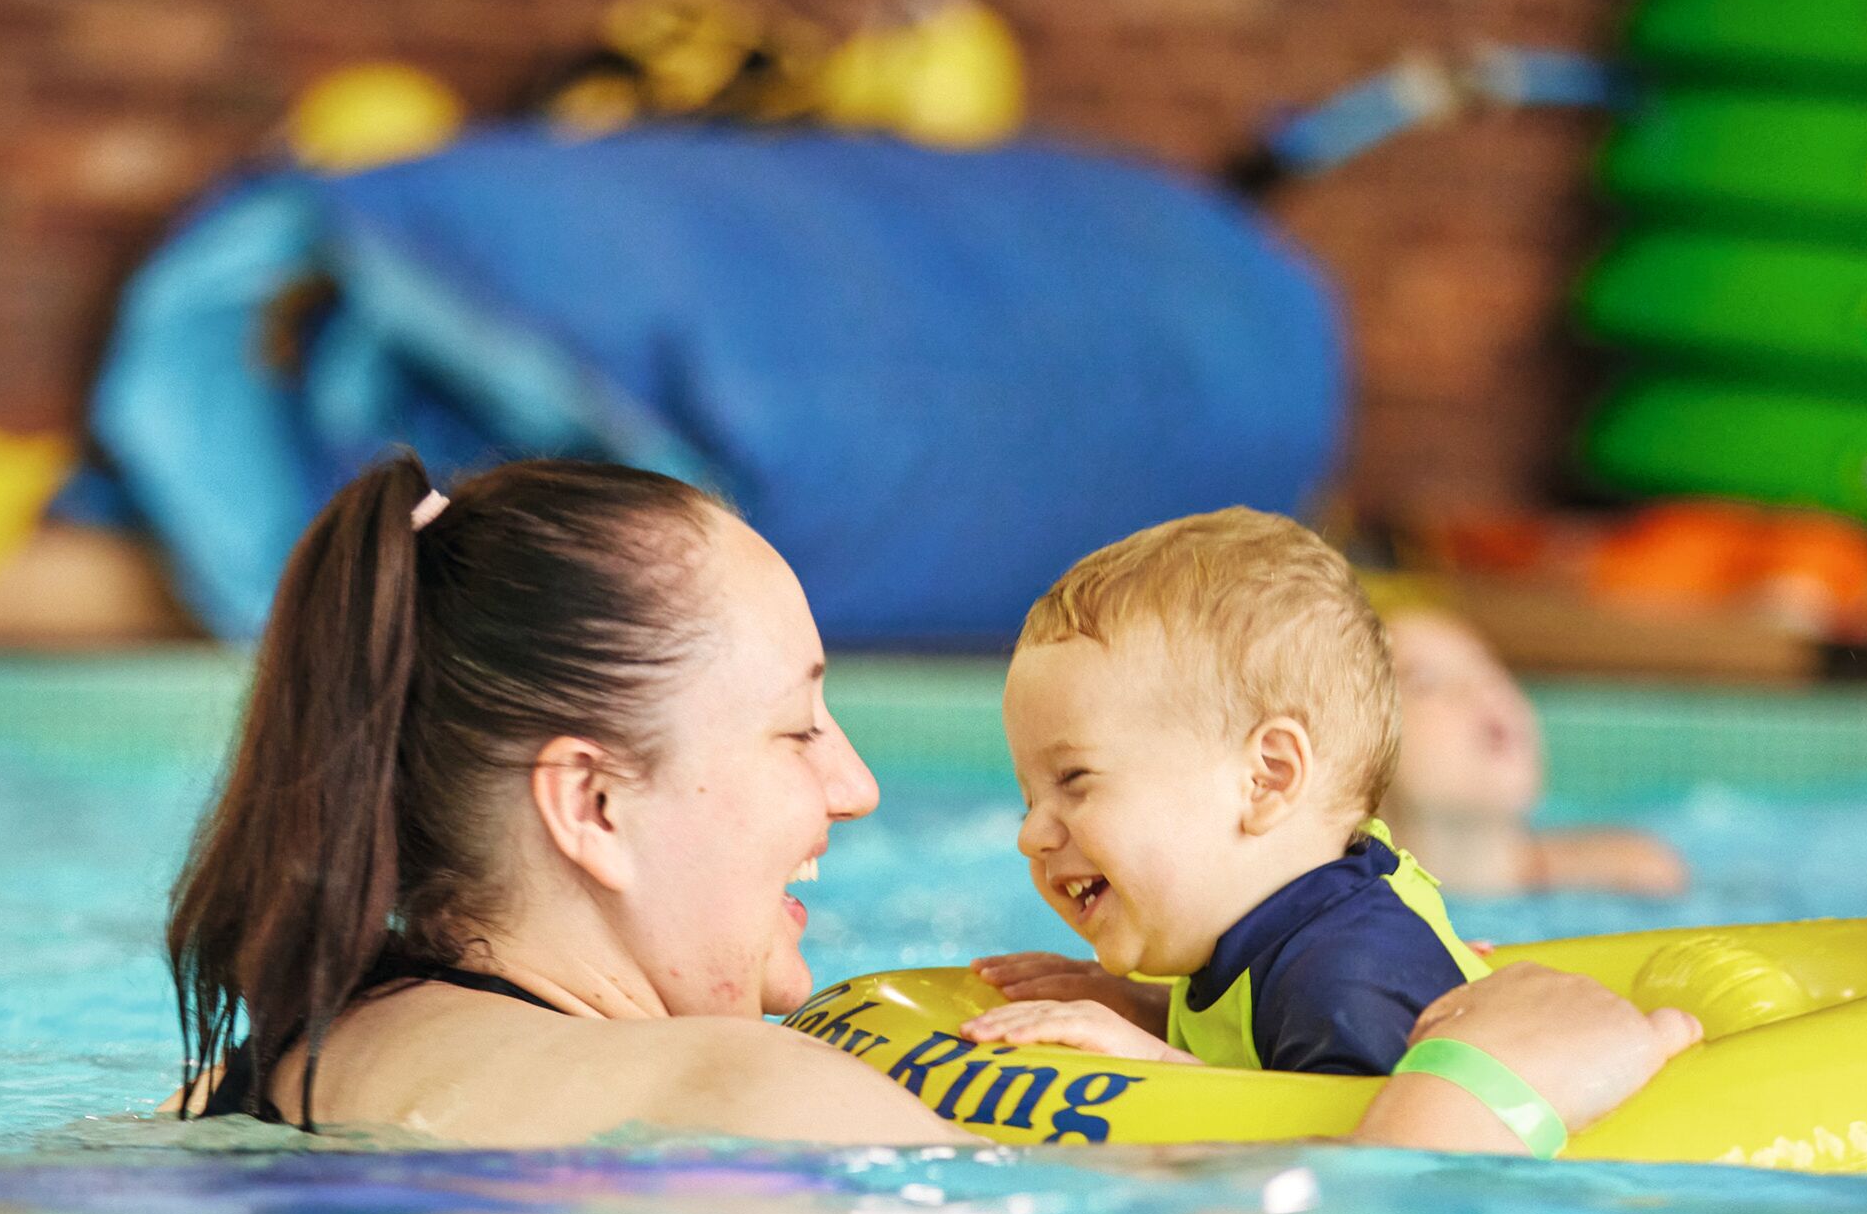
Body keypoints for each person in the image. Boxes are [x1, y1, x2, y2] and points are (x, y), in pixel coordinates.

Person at [169, 455, 1698, 1150]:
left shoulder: (254, 1079)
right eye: (797, 730)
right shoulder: (751, 1106)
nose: (858, 782)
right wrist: (1478, 1103)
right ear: (593, 807)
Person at [955, 509, 1483, 1076]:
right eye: (1029, 801)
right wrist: (1149, 1009)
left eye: (1075, 780)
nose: (1030, 835)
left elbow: (1372, 1147)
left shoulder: (1347, 973)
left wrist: (1153, 1064)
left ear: (1266, 779)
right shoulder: (1269, 935)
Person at [1369, 585, 1689, 899]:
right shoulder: (1343, 913)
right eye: (1426, 680)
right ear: (1356, 753)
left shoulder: (1629, 874)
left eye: (1487, 667)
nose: (1481, 688)